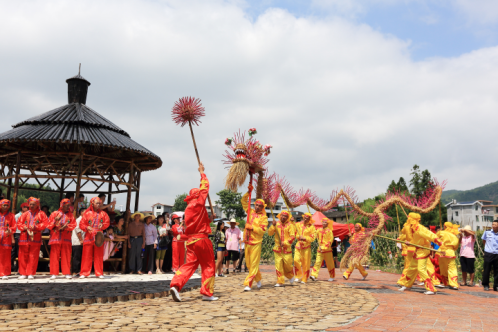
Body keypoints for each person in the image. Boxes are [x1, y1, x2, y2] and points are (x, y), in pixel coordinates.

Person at [169, 162, 217, 302]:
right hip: (202, 240)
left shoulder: (188, 209)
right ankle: (207, 293)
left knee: (189, 265)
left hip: (191, 242)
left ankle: (176, 286)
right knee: (208, 265)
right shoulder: (198, 203)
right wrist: (202, 173)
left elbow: (197, 224)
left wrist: (209, 219)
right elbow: (205, 189)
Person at [398, 213, 442, 295]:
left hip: (423, 251)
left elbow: (430, 235)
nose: (408, 220)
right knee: (412, 268)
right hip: (417, 251)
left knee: (421, 269)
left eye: (410, 218)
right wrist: (409, 243)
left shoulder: (420, 228)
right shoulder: (410, 228)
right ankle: (407, 285)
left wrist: (439, 242)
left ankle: (431, 289)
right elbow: (413, 240)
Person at [241, 185, 268, 291]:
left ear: (262, 208)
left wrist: (252, 227)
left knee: (253, 264)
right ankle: (258, 279)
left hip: (256, 243)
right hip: (247, 241)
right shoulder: (250, 212)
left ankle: (248, 283)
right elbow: (243, 201)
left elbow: (262, 230)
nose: (257, 207)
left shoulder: (264, 218)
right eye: (256, 205)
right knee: (249, 264)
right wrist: (248, 192)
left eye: (259, 206)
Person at [17, 197, 48, 279]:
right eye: (30, 204)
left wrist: (36, 227)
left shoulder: (41, 214)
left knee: (33, 256)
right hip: (24, 237)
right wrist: (24, 227)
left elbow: (45, 223)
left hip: (35, 237)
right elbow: (19, 223)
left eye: (33, 204)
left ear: (37, 205)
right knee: (23, 255)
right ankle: (23, 273)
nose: (31, 206)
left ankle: (30, 273)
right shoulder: (25, 214)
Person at [79, 197, 110, 279]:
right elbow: (81, 224)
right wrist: (86, 227)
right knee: (86, 255)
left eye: (99, 203)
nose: (98, 204)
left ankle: (99, 273)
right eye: (97, 203)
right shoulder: (87, 213)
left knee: (99, 256)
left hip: (99, 236)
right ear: (92, 203)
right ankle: (84, 273)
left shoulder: (103, 214)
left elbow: (107, 223)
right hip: (89, 236)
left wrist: (102, 225)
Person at [47, 199, 76, 279]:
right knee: (54, 256)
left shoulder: (70, 215)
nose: (68, 207)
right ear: (61, 205)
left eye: (68, 206)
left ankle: (66, 272)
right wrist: (55, 221)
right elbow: (49, 225)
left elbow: (73, 225)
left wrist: (66, 227)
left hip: (66, 238)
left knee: (66, 256)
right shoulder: (54, 214)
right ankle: (54, 273)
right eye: (66, 205)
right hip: (55, 238)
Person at [268, 210, 296, 287]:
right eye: (282, 216)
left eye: (285, 216)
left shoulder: (290, 225)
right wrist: (272, 226)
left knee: (288, 264)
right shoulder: (276, 224)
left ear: (287, 218)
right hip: (277, 249)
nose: (283, 217)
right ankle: (280, 281)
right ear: (280, 216)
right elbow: (270, 233)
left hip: (287, 249)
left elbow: (292, 236)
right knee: (278, 265)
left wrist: (285, 243)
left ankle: (290, 275)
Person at [434, 222, 459, 290]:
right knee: (452, 268)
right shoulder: (455, 236)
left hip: (442, 252)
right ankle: (454, 284)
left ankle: (446, 282)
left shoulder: (441, 233)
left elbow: (435, 239)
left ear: (445, 227)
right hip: (451, 252)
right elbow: (456, 246)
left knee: (443, 268)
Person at [310, 217, 335, 282]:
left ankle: (332, 276)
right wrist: (312, 228)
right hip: (320, 250)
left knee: (330, 264)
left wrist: (324, 247)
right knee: (317, 262)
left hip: (327, 250)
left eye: (325, 222)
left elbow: (330, 240)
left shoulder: (329, 231)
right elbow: (314, 235)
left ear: (327, 224)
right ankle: (313, 275)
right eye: (323, 222)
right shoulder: (319, 230)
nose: (324, 223)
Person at [294, 212, 316, 283]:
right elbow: (294, 231)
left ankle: (304, 278)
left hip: (306, 247)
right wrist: (291, 221)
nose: (306, 219)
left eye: (307, 218)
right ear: (303, 217)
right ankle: (298, 275)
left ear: (310, 219)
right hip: (298, 246)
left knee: (305, 263)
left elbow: (313, 238)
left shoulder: (312, 227)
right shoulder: (298, 224)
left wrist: (304, 238)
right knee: (296, 260)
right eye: (305, 218)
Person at [0, 199, 16, 279]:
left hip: (6, 236)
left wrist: (10, 230)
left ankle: (5, 273)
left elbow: (14, 226)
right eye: (4, 205)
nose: (5, 207)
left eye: (7, 205)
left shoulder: (11, 215)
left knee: (6, 255)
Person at [11, 202, 29, 273]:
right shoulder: (17, 216)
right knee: (16, 251)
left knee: (22, 252)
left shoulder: (29, 215)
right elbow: (15, 226)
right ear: (22, 207)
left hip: (26, 234)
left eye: (28, 207)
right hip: (18, 233)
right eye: (25, 207)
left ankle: (20, 268)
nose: (27, 209)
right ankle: (13, 267)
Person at [481, 220, 498, 291]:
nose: (493, 226)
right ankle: (486, 285)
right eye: (493, 224)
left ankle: (496, 286)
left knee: (497, 270)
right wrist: (486, 248)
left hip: (497, 254)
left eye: (495, 225)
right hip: (488, 253)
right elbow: (483, 240)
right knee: (487, 269)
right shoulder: (487, 232)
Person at [71, 207, 86, 276]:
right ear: (81, 212)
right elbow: (78, 230)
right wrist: (81, 240)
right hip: (77, 241)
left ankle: (80, 271)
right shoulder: (78, 220)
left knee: (80, 257)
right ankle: (75, 271)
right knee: (77, 257)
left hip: (81, 241)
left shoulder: (84, 220)